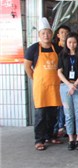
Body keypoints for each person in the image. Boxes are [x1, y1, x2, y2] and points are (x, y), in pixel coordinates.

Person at [24, 18, 63, 150]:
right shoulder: (33, 49)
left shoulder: (57, 48)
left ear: (51, 34)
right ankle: (39, 140)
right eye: (43, 33)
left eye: (48, 33)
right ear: (39, 35)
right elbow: (28, 67)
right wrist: (35, 79)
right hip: (40, 87)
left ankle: (51, 135)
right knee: (40, 115)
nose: (46, 36)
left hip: (54, 86)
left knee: (53, 113)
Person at [57, 32, 78, 150]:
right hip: (65, 86)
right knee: (68, 114)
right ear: (66, 43)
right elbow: (59, 72)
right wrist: (69, 84)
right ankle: (71, 139)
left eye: (74, 42)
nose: (72, 44)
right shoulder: (62, 55)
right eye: (69, 42)